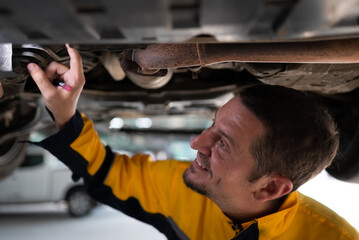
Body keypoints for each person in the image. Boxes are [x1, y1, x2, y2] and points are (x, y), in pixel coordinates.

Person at [27, 45, 358, 240]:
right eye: (213, 124)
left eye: (223, 144)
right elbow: (108, 173)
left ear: (270, 188)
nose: (197, 142)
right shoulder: (187, 189)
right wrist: (66, 113)